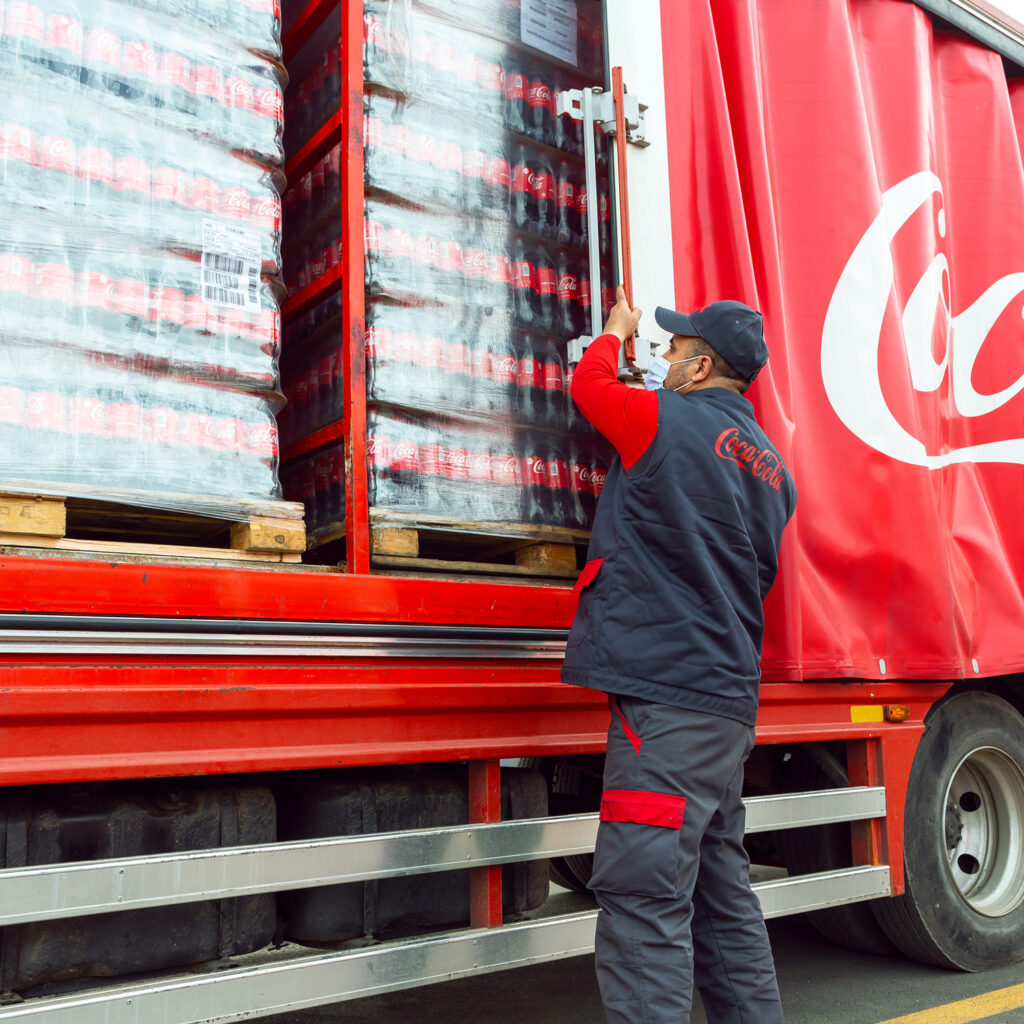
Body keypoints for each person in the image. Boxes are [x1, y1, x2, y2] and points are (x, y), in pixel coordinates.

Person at [562, 286, 796, 1024]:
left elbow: (589, 389)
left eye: (672, 352)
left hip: (665, 703)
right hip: (725, 707)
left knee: (644, 902)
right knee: (723, 900)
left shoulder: (662, 420)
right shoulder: (775, 471)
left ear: (699, 369)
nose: (662, 362)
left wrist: (614, 334)